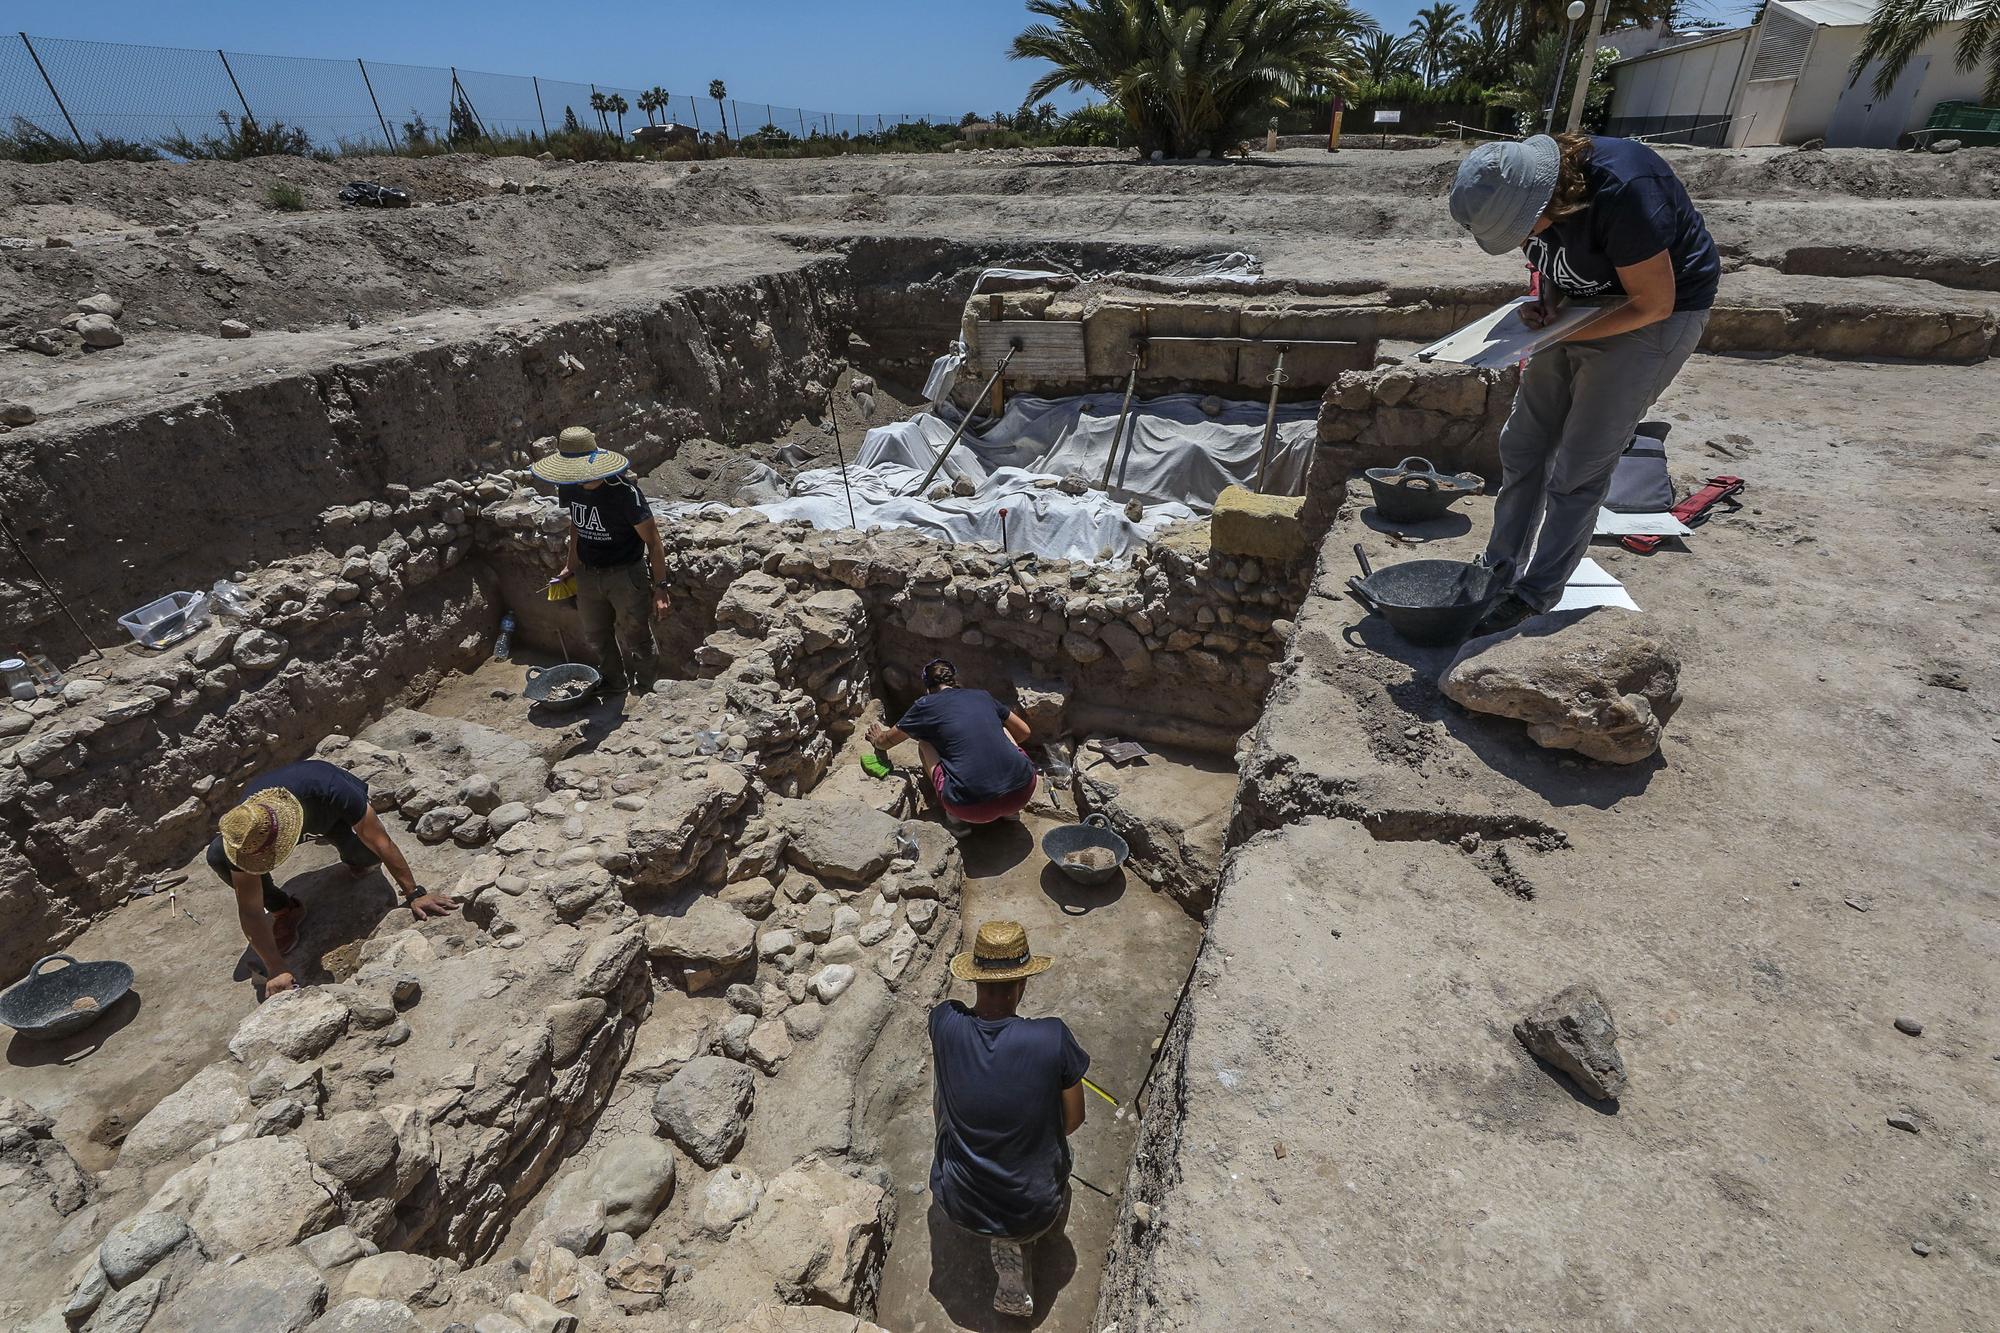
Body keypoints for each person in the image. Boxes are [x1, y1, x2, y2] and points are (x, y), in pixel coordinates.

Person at [1448, 132, 1719, 634]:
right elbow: (1554, 260)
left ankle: (1535, 594)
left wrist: (1567, 329)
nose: (1525, 237)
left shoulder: (1625, 189)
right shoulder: (1527, 193)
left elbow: (1653, 302)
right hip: (1584, 308)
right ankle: (1499, 569)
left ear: (1551, 195)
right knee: (1524, 444)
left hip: (1656, 314)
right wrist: (1548, 304)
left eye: (1523, 227)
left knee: (1580, 463)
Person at [930, 920, 1089, 1319]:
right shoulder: (1052, 1038)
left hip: (959, 1203)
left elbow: (959, 1012)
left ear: (975, 978)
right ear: (1025, 983)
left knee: (946, 1086)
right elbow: (1073, 1120)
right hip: (1032, 1209)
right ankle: (1016, 1238)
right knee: (1055, 1144)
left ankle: (993, 1213)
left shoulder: (943, 1023)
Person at [208, 760, 455, 996]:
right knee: (217, 855)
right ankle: (285, 908)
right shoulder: (245, 837)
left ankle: (344, 843)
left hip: (325, 810)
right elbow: (250, 910)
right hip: (291, 817)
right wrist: (275, 968)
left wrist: (414, 893)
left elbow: (381, 840)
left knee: (367, 857)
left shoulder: (329, 789)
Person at [533, 426, 672, 694]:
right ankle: (614, 683)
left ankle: (646, 687)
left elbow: (653, 542)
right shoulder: (571, 486)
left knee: (637, 635)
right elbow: (577, 525)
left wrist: (661, 587)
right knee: (596, 635)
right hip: (587, 574)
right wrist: (570, 565)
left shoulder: (624, 494)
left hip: (625, 576)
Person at [866, 659, 1038, 833]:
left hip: (970, 809)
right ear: (955, 681)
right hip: (1023, 791)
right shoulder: (982, 696)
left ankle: (956, 822)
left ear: (927, 688)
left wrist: (877, 741)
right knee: (1002, 728)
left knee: (924, 742)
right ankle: (1011, 813)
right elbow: (1024, 732)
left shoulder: (924, 706)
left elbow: (887, 741)